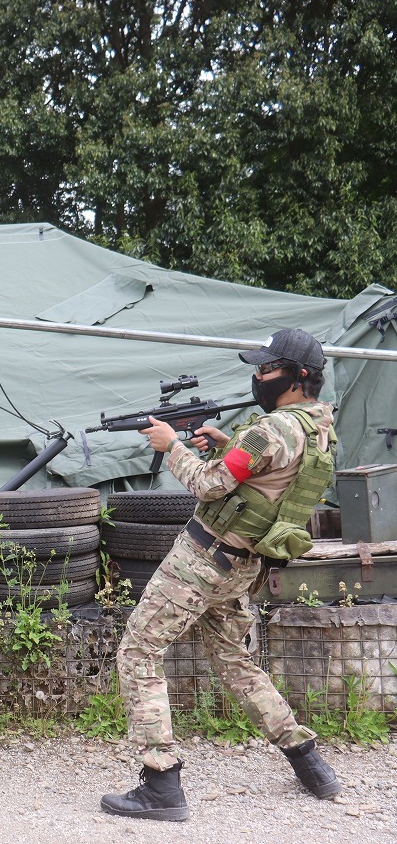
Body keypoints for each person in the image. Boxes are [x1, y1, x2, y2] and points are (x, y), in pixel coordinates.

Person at [101, 328, 342, 822]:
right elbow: (274, 476)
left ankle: (160, 782)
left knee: (139, 650)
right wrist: (229, 442)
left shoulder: (271, 429)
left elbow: (210, 486)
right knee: (236, 662)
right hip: (243, 566)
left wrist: (172, 446)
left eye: (267, 369)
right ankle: (309, 763)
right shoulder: (318, 426)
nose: (258, 377)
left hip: (203, 560)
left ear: (297, 377)